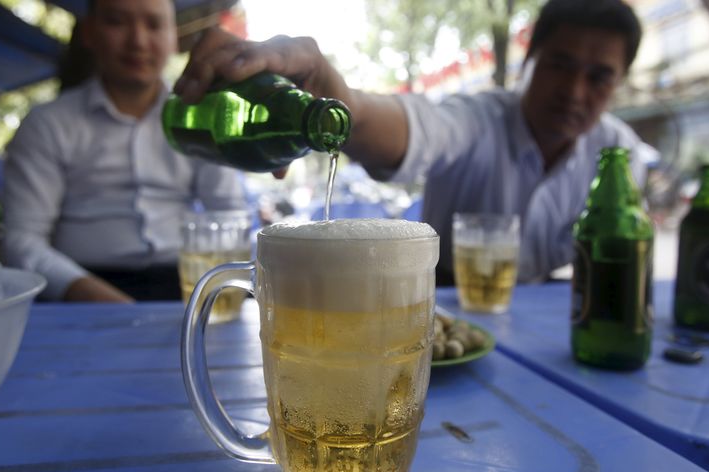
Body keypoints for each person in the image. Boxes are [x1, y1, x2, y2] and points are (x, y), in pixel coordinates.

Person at [174, 0, 647, 284]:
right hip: (438, 309)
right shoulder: (478, 120)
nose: (574, 92)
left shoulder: (619, 158)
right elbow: (415, 127)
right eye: (560, 65)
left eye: (599, 77)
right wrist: (341, 99)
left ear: (622, 81)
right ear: (531, 59)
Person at [2, 0, 248, 302]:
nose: (138, 41)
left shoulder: (201, 118)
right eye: (117, 22)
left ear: (174, 36)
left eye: (154, 25)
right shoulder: (47, 125)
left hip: (188, 287)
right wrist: (100, 299)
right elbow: (21, 240)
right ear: (89, 33)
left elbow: (230, 216)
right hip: (79, 289)